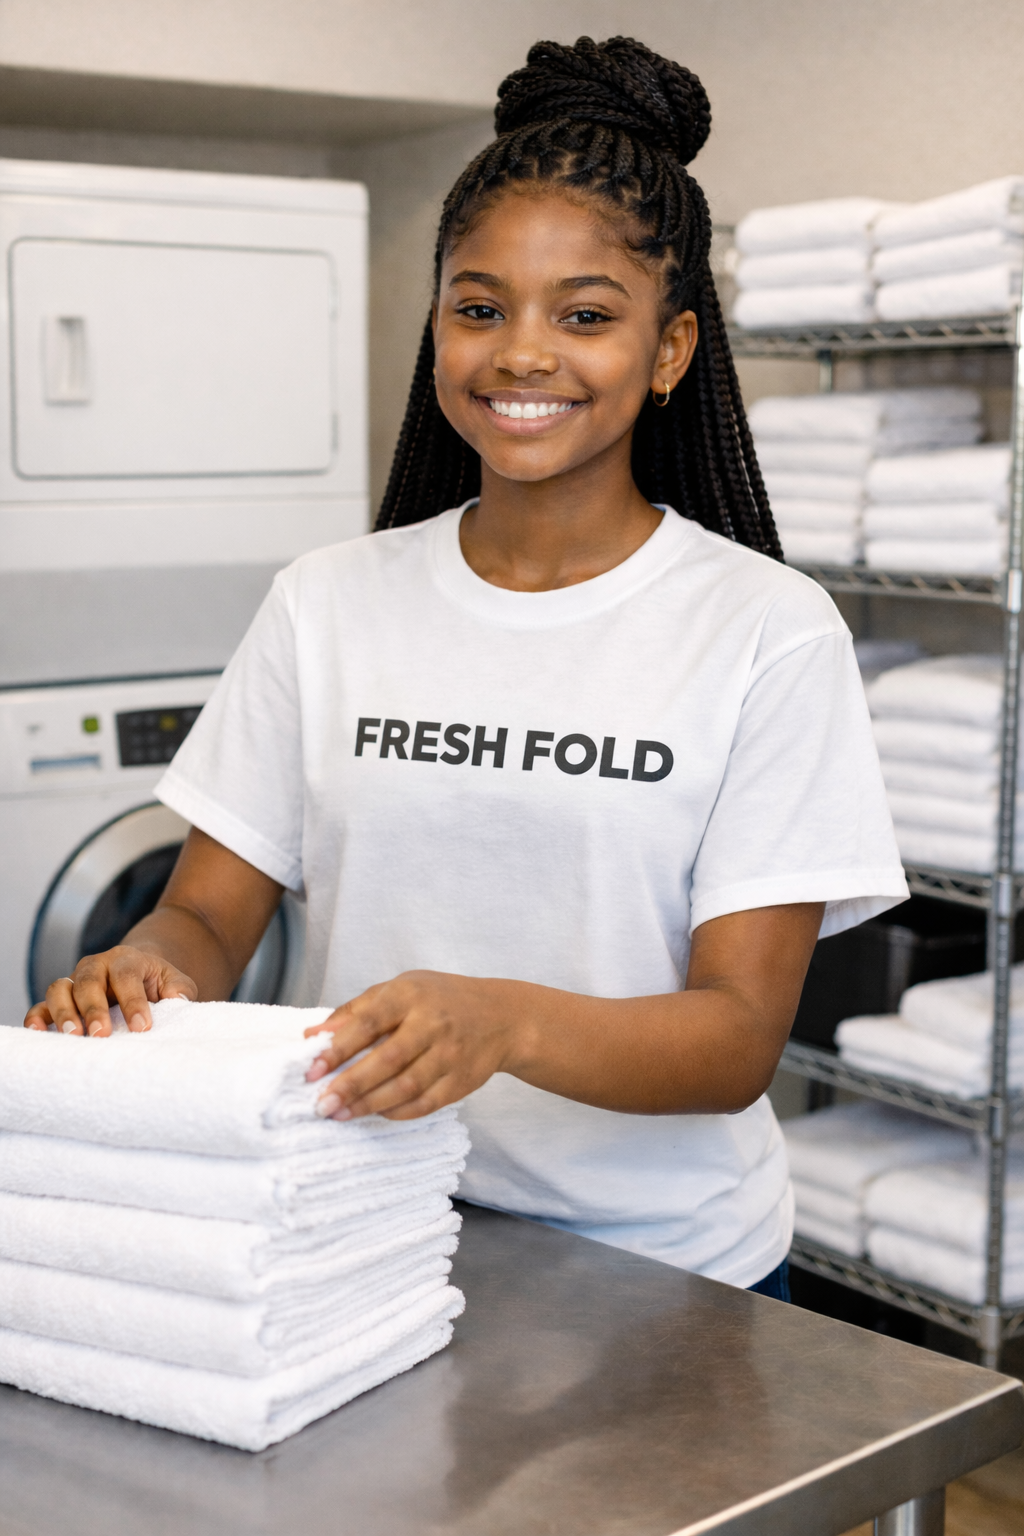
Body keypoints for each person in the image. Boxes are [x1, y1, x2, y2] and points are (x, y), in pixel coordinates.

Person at [25, 36, 907, 1300]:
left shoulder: (765, 629)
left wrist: (505, 1020)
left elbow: (733, 1038)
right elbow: (213, 912)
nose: (520, 355)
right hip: (358, 1220)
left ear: (667, 353)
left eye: (586, 315)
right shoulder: (328, 601)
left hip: (657, 1273)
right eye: (478, 307)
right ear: (437, 322)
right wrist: (150, 973)